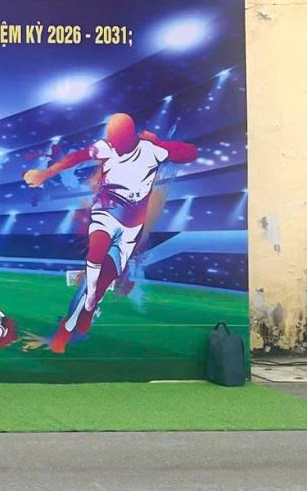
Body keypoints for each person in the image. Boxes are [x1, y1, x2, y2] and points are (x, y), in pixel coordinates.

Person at [21, 112, 198, 353]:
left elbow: (190, 153)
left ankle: (82, 320)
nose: (115, 146)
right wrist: (45, 174)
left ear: (132, 137)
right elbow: (76, 158)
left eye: (119, 141)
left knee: (102, 283)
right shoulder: (106, 147)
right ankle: (65, 332)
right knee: (94, 262)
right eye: (112, 140)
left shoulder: (151, 150)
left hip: (130, 229)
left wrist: (160, 143)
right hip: (106, 213)